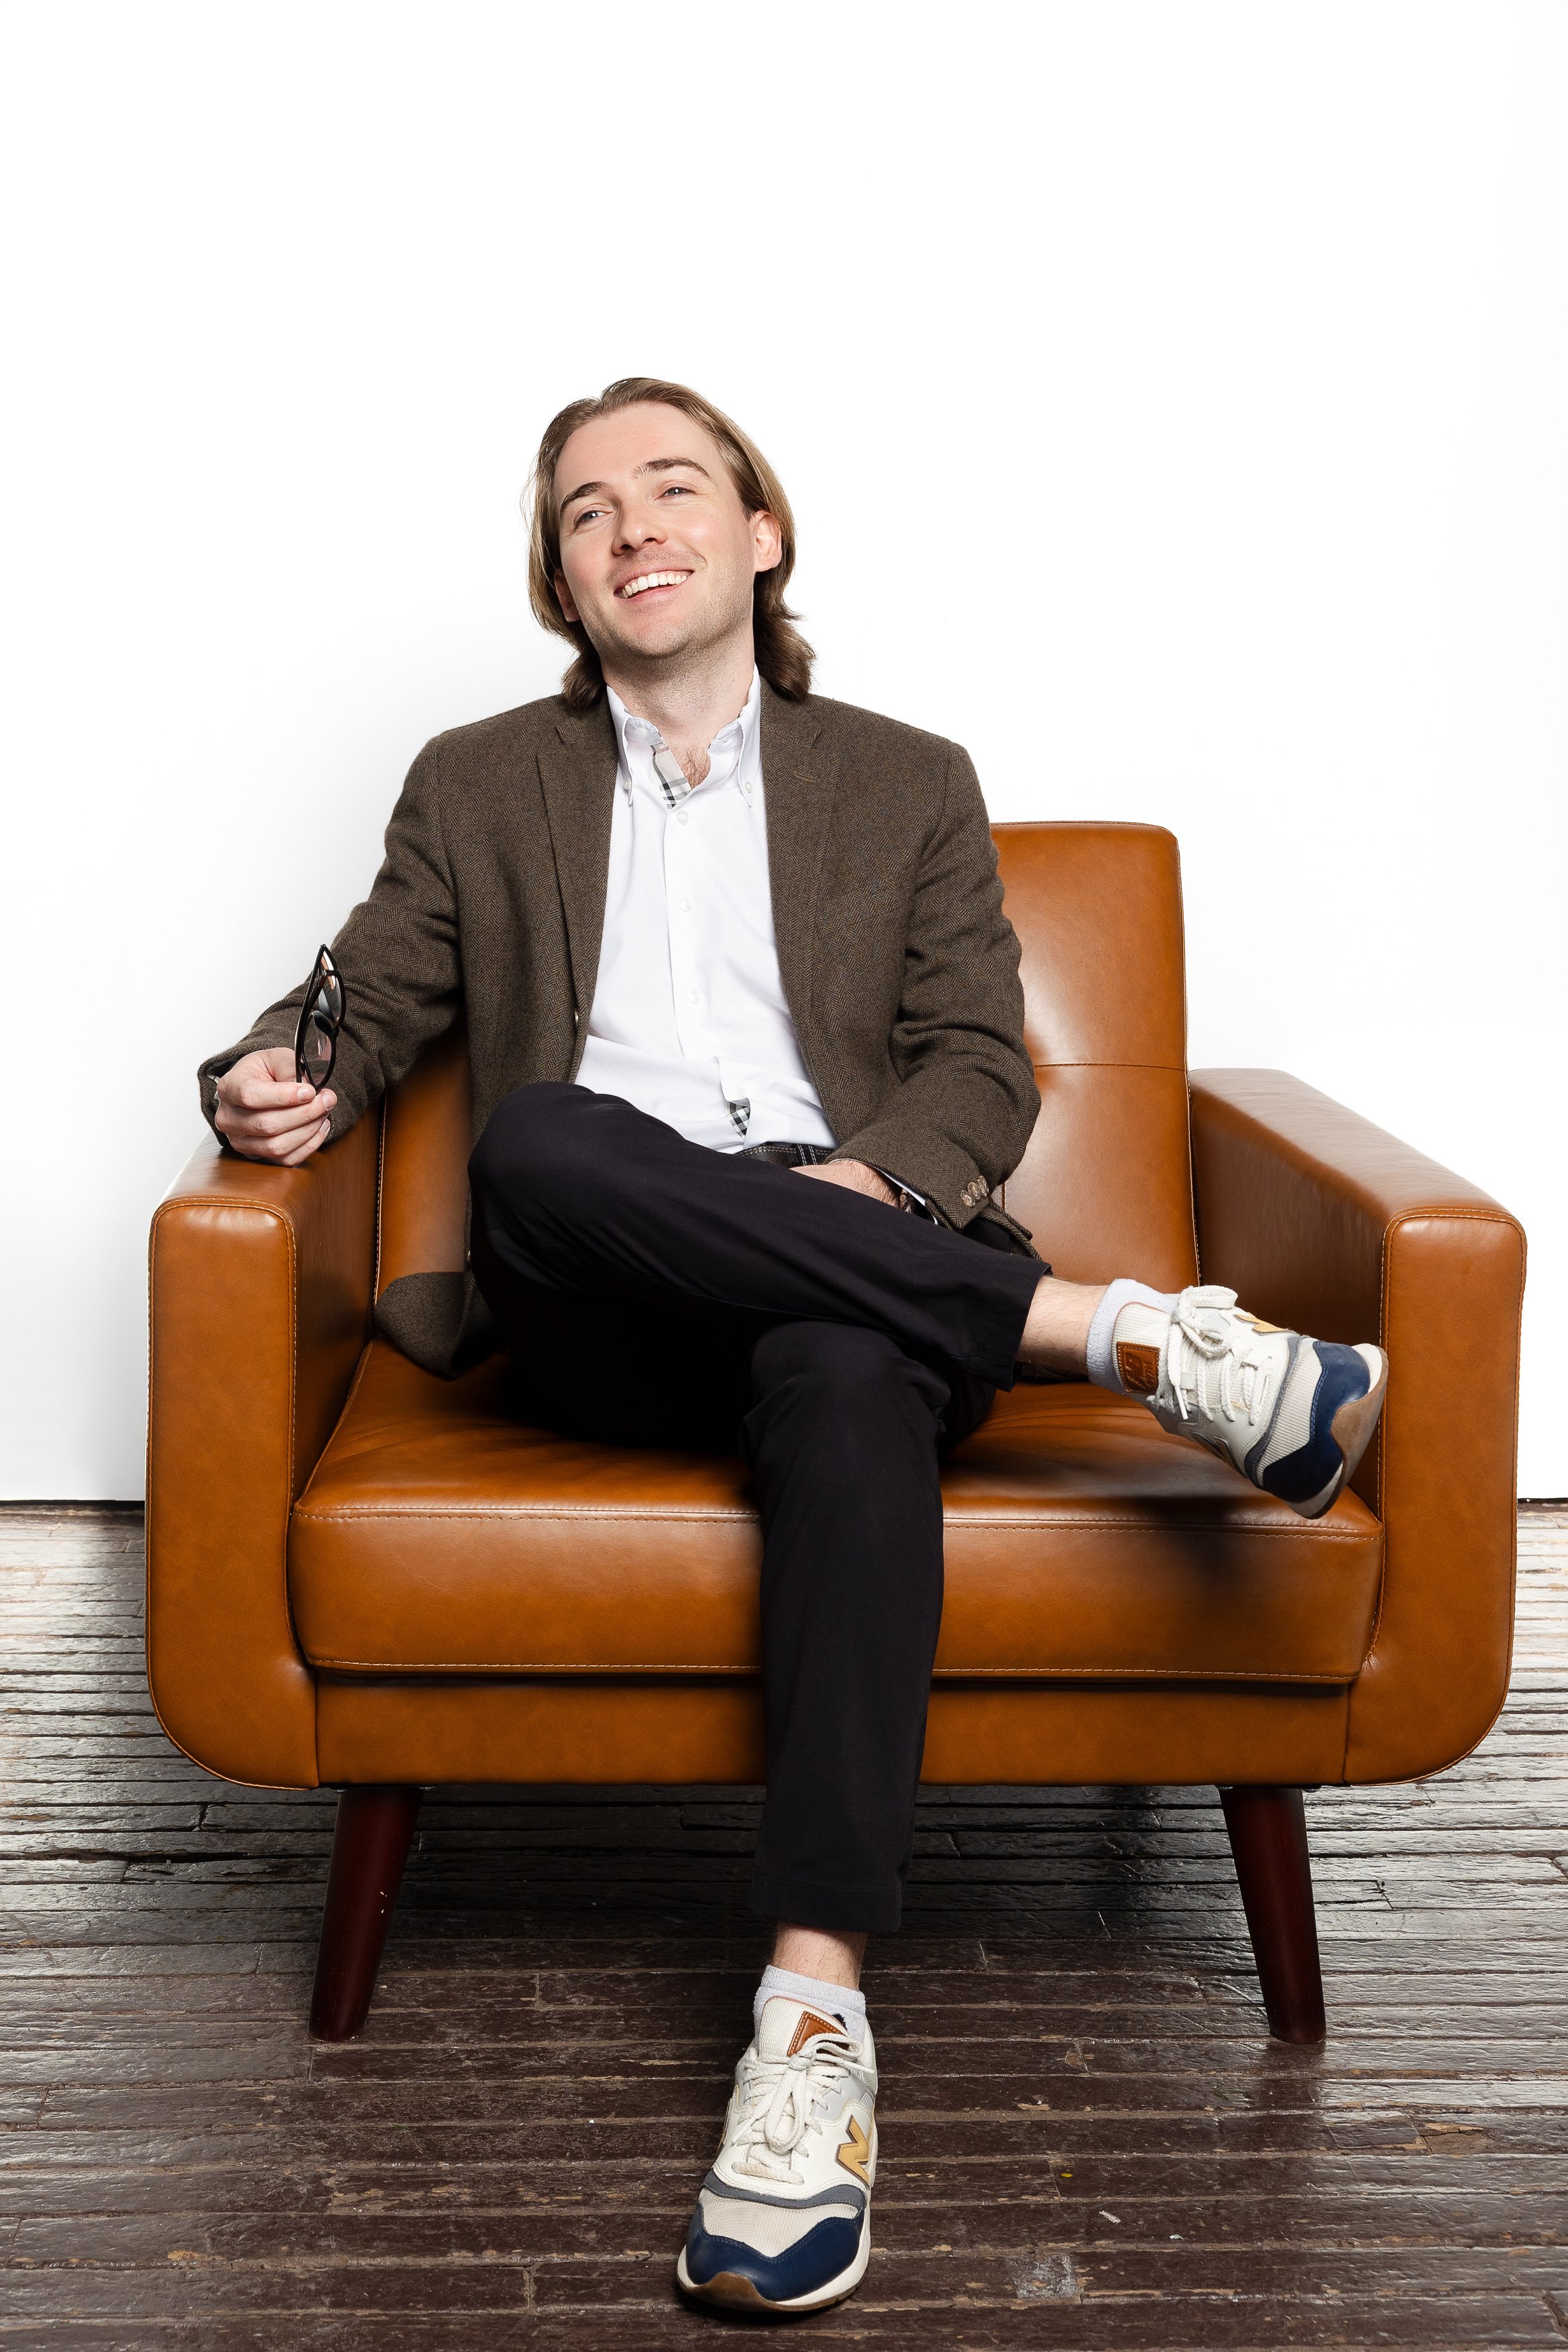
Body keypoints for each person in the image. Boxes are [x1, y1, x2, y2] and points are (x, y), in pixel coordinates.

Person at [201, 377, 1388, 2317]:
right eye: (586, 509)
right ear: (560, 578)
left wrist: (867, 1191)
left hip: (858, 1252)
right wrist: (271, 1078)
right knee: (539, 1137)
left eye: (674, 486)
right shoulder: (478, 780)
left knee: (844, 1373)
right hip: (602, 1286)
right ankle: (1124, 1339)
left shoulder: (903, 777)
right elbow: (366, 997)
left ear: (760, 534)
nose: (631, 525)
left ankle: (809, 2027)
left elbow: (980, 1064)